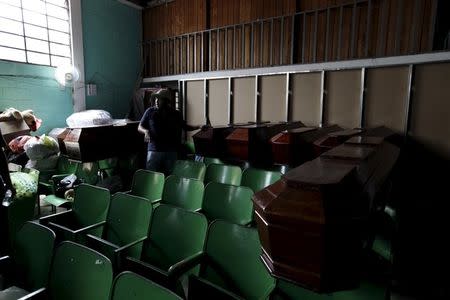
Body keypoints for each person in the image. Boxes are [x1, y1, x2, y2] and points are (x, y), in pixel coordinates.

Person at [138, 88, 200, 175]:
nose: (156, 101)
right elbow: (140, 127)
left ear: (166, 101)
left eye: (159, 99)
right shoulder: (150, 111)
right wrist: (146, 131)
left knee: (170, 175)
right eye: (156, 98)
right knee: (151, 176)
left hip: (170, 151)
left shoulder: (176, 114)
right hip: (154, 151)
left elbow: (185, 127)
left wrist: (199, 126)